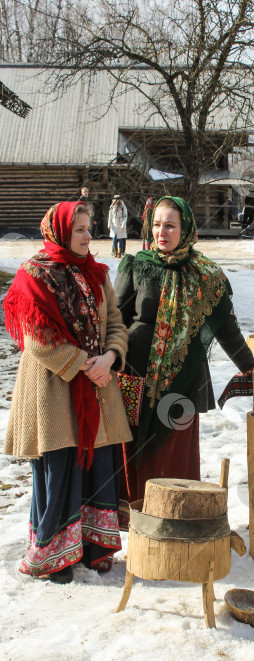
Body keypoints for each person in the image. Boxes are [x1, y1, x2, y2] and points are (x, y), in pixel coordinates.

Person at [114, 196, 254, 502]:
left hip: (182, 379)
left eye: (170, 226)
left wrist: (251, 367)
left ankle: (177, 517)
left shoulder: (204, 275)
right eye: (157, 225)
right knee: (133, 449)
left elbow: (227, 329)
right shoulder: (137, 266)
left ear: (186, 228)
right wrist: (108, 362)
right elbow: (116, 320)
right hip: (135, 375)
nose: (161, 232)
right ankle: (137, 520)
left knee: (174, 452)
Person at [2, 201, 132, 583]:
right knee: (60, 467)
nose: (88, 235)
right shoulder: (34, 276)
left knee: (98, 465)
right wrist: (86, 365)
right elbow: (38, 339)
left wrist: (110, 357)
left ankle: (93, 547)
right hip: (53, 388)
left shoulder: (96, 273)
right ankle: (54, 553)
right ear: (59, 230)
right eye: (79, 229)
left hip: (98, 386)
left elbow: (116, 323)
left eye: (90, 228)